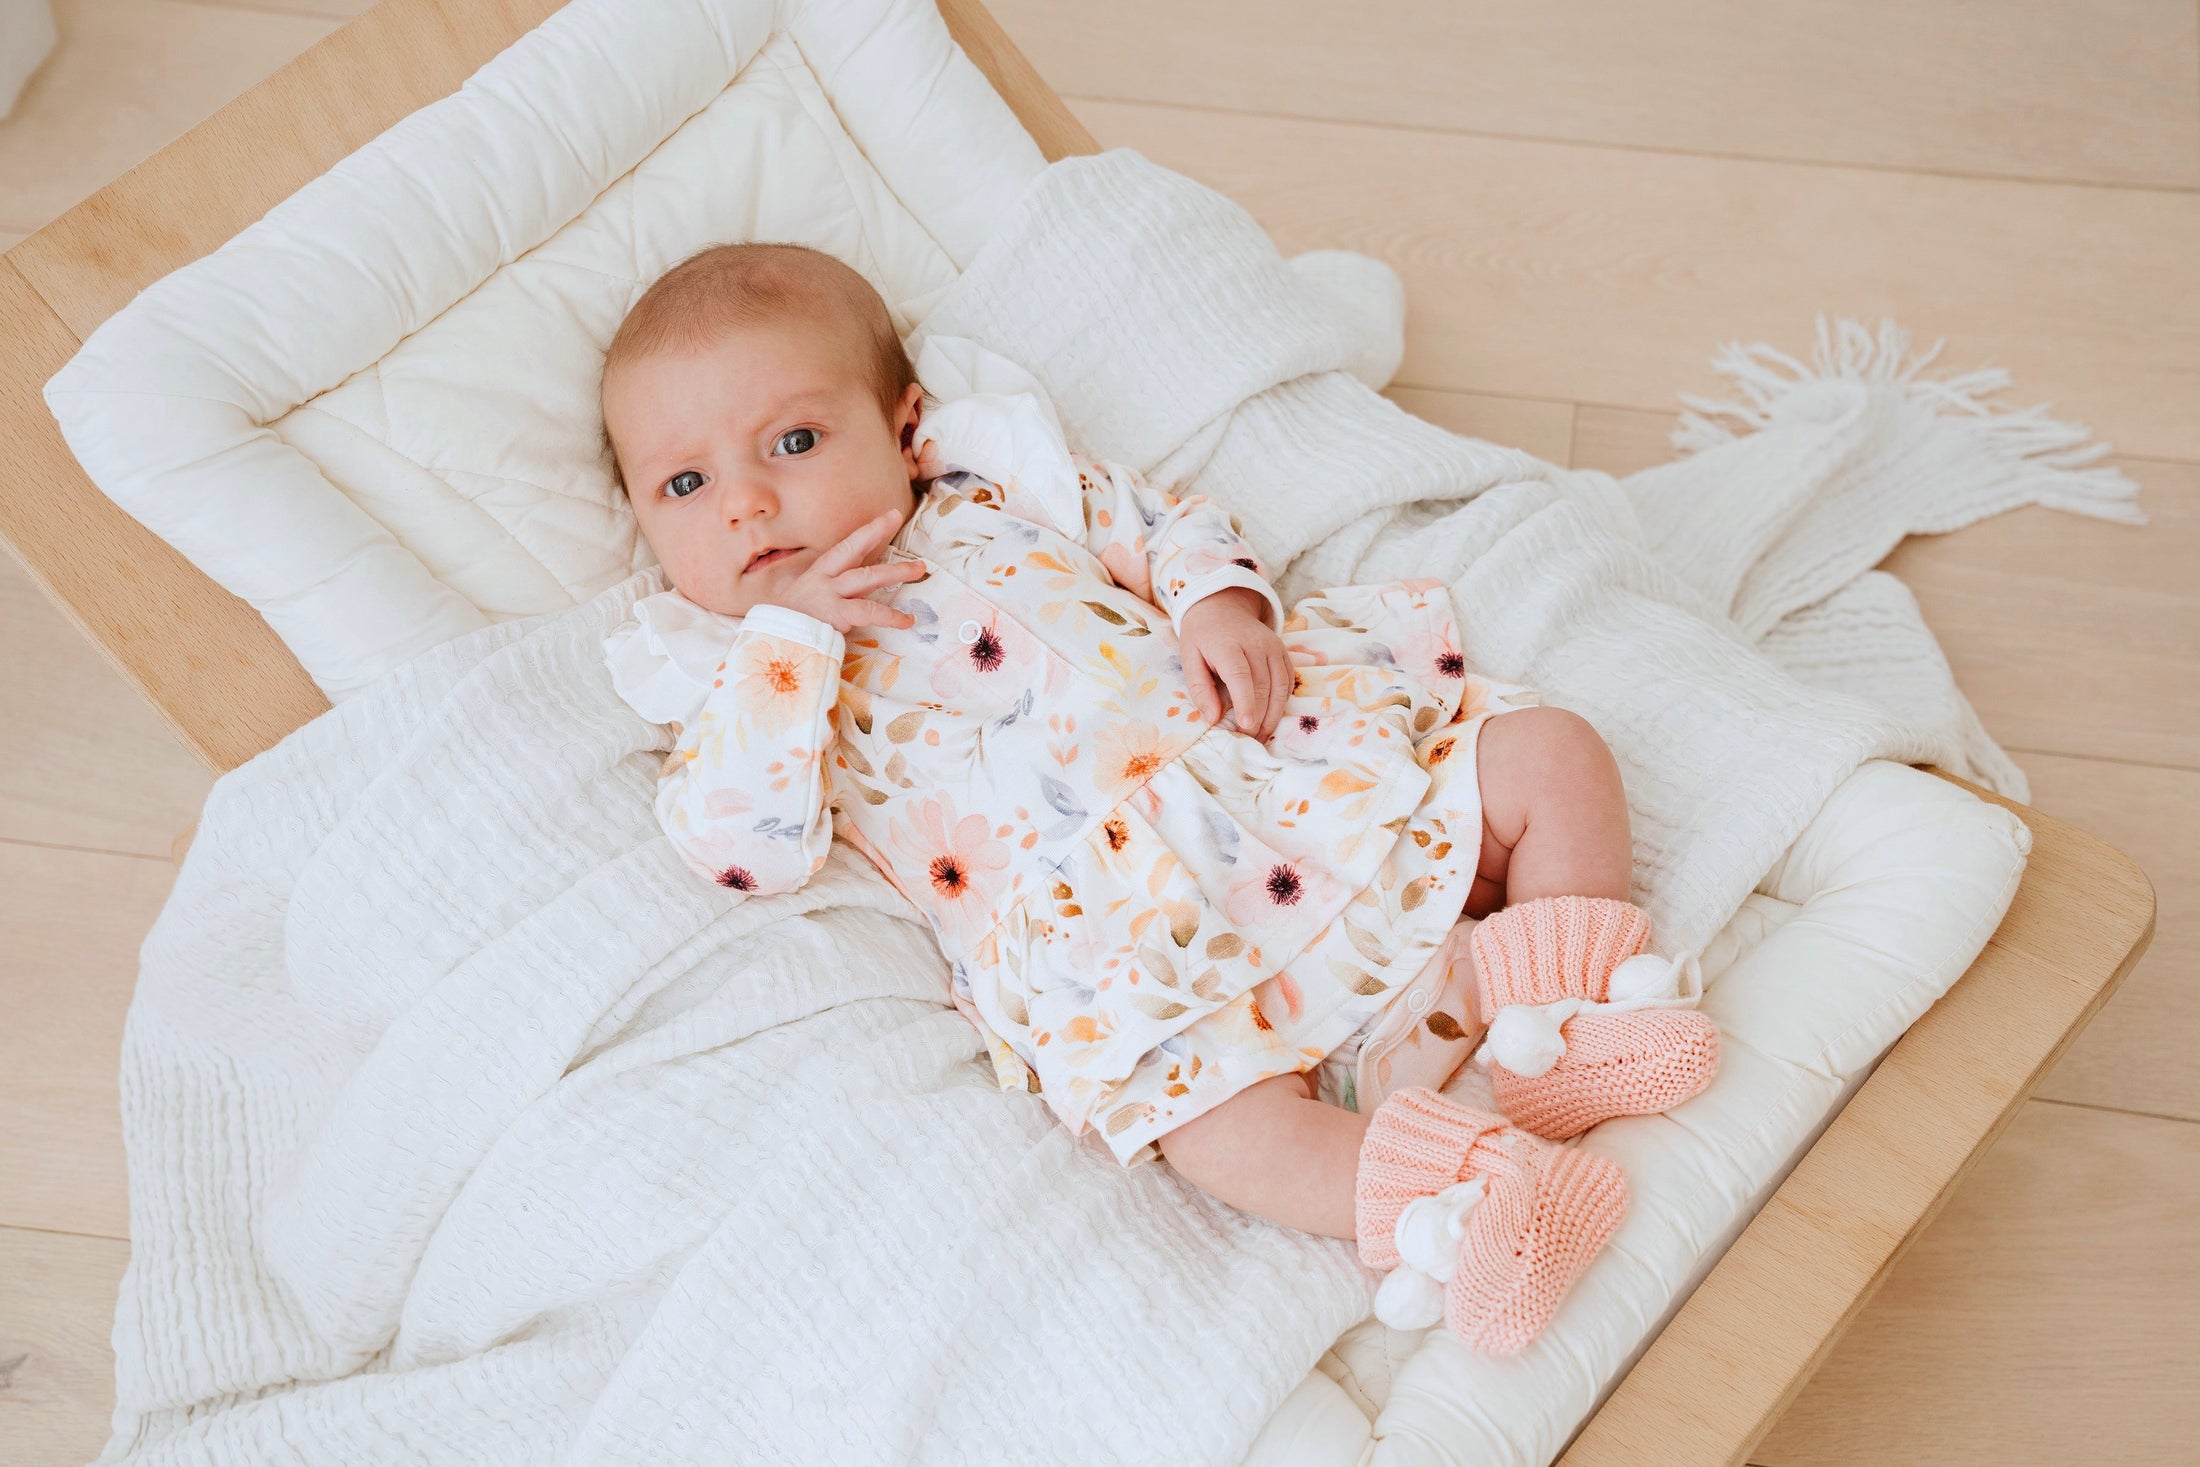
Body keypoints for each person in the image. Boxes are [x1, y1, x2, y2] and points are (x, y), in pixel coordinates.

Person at [598, 242, 1719, 1351]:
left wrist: (1214, 608)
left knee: (1547, 754)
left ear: (903, 429)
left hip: (1277, 785)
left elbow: (1166, 525)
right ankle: (1482, 1201)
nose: (746, 503)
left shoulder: (998, 494)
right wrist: (791, 640)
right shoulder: (730, 676)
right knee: (1214, 1135)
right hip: (1137, 947)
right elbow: (745, 845)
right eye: (685, 484)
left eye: (794, 441)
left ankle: (1563, 1027)